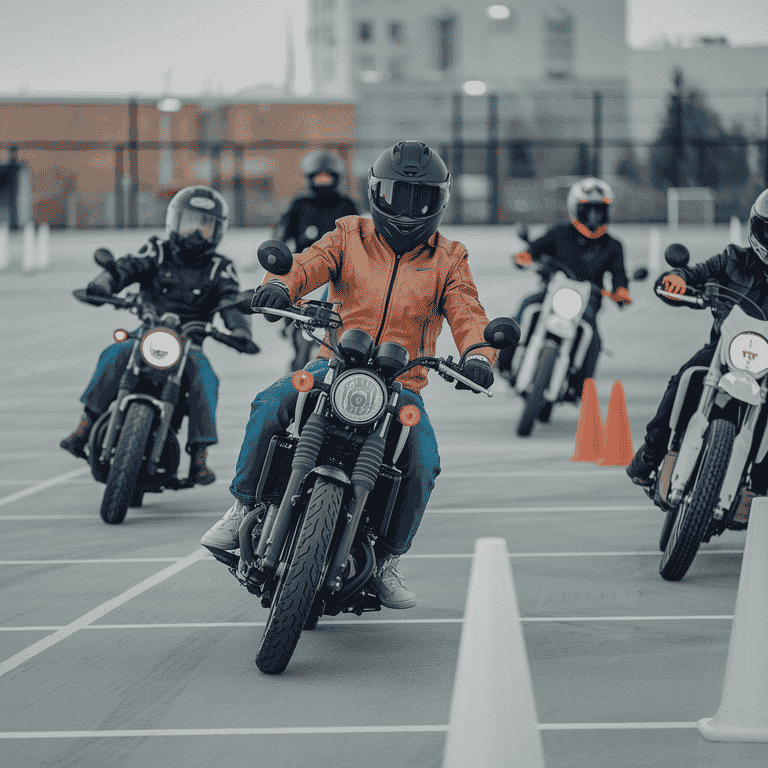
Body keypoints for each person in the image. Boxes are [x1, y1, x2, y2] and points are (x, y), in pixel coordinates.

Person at [202, 140, 498, 609]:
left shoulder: (449, 258)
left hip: (402, 383)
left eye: (418, 198)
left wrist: (479, 354)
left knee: (424, 461)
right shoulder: (348, 234)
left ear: (437, 201)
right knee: (271, 403)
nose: (406, 209)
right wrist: (278, 287)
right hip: (332, 364)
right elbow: (304, 265)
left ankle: (386, 560)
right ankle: (241, 510)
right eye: (397, 195)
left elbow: (467, 311)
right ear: (377, 193)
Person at [60, 185, 254, 485]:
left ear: (217, 230)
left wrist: (240, 327)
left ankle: (200, 456)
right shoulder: (157, 249)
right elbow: (127, 267)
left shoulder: (220, 268)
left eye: (205, 225)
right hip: (148, 332)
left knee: (206, 377)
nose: (195, 233)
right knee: (115, 352)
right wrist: (104, 282)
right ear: (175, 221)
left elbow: (230, 301)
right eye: (190, 222)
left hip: (190, 343)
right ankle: (84, 427)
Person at [627, 187, 768, 487]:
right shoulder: (734, 259)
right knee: (688, 376)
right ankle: (652, 454)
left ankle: (758, 486)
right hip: (725, 350)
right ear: (757, 229)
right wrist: (677, 280)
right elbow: (695, 273)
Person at [497, 177, 632, 399]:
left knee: (594, 339)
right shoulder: (559, 232)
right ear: (576, 209)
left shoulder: (613, 245)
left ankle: (579, 389)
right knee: (527, 306)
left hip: (587, 303)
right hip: (554, 294)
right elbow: (535, 248)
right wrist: (526, 256)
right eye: (588, 210)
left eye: (599, 211)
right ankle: (504, 363)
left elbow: (619, 275)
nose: (594, 216)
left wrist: (622, 291)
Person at [272, 150, 360, 372]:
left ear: (336, 178)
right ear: (310, 179)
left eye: (327, 178)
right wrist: (278, 260)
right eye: (319, 178)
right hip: (307, 275)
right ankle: (299, 369)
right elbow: (280, 238)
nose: (323, 183)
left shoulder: (347, 206)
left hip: (341, 276)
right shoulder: (300, 205)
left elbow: (362, 242)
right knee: (301, 336)